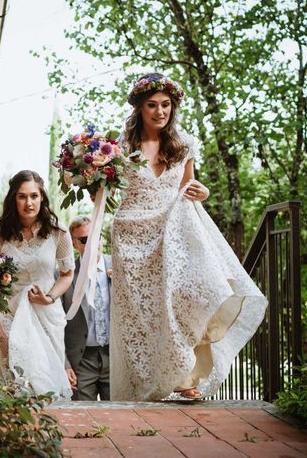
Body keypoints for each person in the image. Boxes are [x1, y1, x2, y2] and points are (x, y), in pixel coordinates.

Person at [110, 73, 267, 401]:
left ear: (173, 107)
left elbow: (188, 186)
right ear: (139, 108)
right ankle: (144, 384)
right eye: (151, 105)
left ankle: (185, 377)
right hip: (130, 237)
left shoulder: (184, 145)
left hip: (171, 232)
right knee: (142, 313)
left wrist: (203, 191)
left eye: (165, 105)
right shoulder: (120, 148)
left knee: (184, 298)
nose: (159, 111)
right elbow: (109, 191)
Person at [0, 170, 75, 400]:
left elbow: (67, 274)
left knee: (47, 381)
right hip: (10, 317)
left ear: (42, 197)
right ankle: (17, 433)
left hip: (46, 315)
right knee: (15, 383)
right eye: (22, 196)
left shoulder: (58, 232)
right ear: (13, 199)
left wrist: (50, 297)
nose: (29, 203)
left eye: (34, 196)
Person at [61, 216, 112, 401]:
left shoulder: (118, 267)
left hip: (114, 357)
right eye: (84, 240)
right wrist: (65, 364)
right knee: (82, 416)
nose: (91, 244)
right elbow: (56, 322)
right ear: (74, 244)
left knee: (118, 415)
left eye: (95, 237)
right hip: (81, 361)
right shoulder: (66, 275)